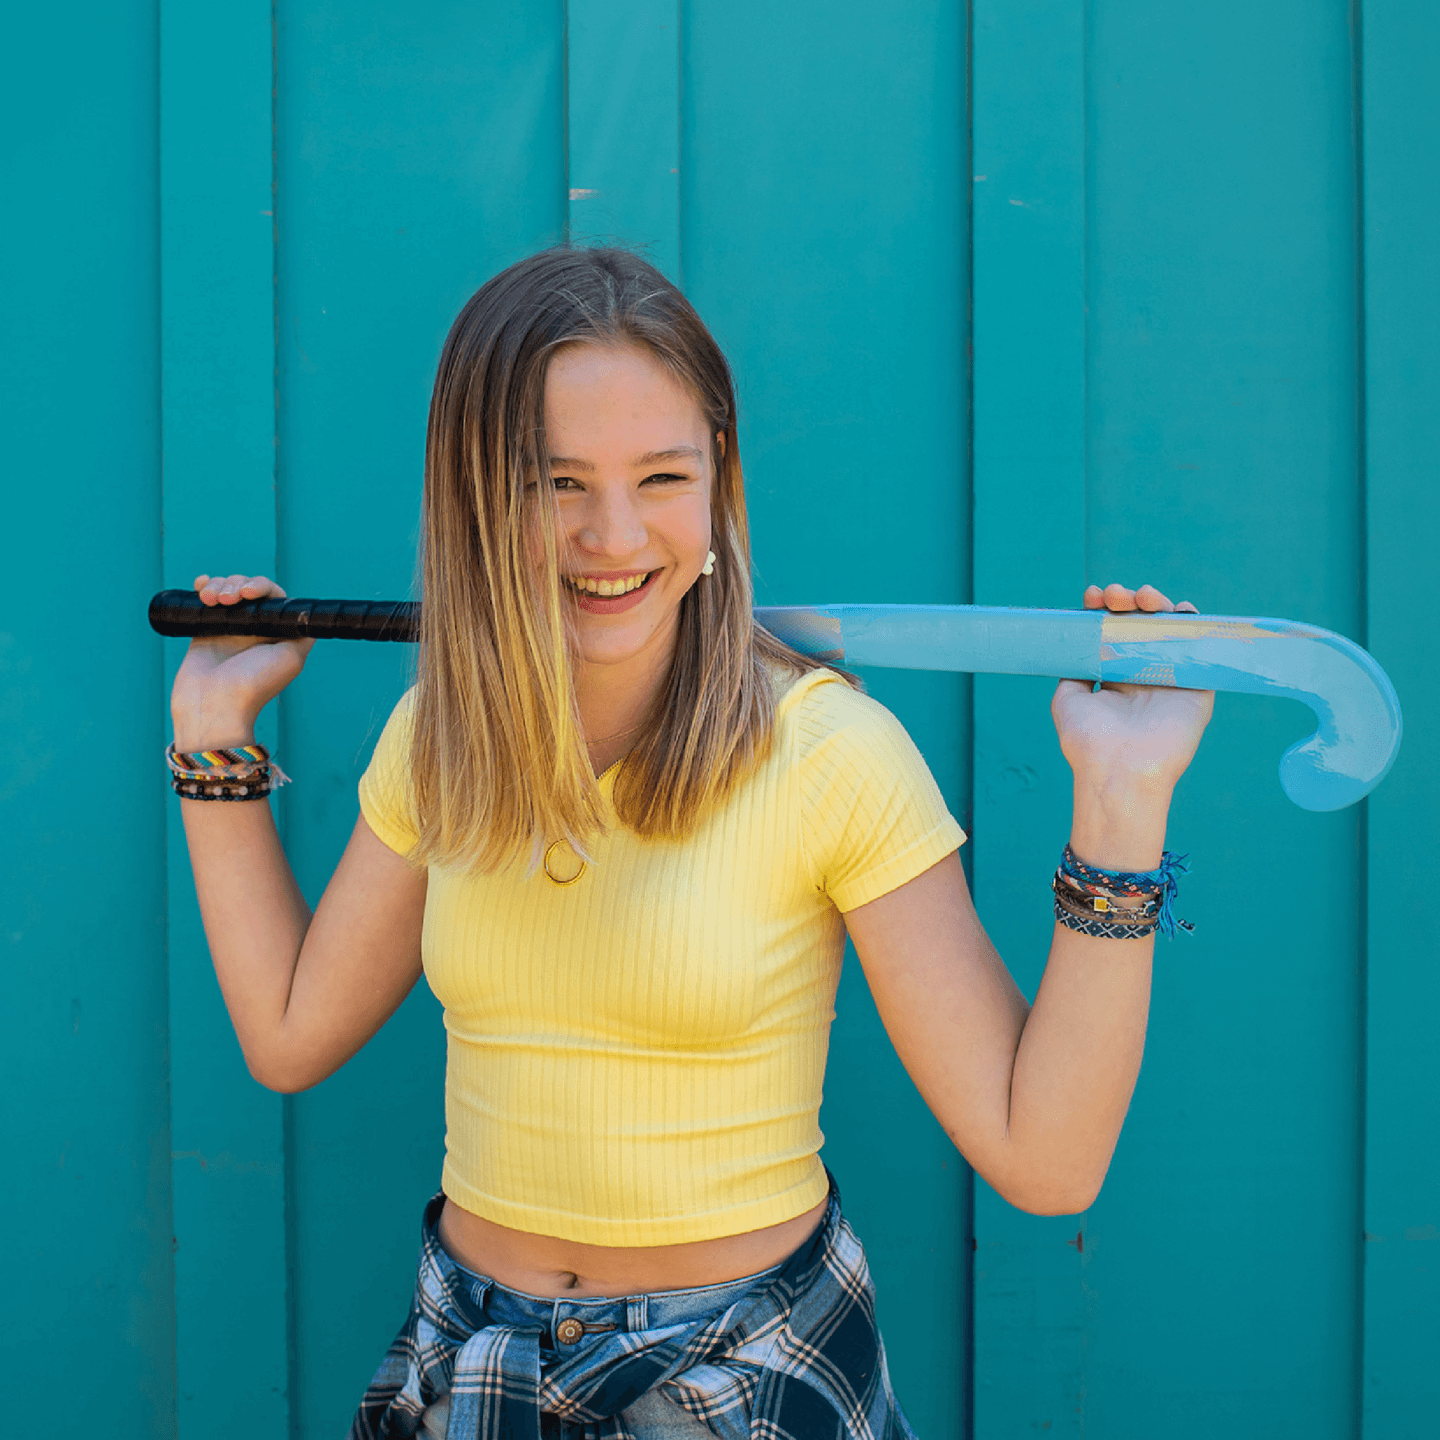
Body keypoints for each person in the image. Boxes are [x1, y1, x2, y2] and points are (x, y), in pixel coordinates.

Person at [170, 245, 1214, 1439]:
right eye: (553, 482)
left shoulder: (831, 755)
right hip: (473, 1353)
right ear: (470, 497)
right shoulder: (441, 740)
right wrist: (213, 742)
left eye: (662, 476)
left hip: (742, 1367)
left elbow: (1047, 1162)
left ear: (720, 483)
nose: (613, 536)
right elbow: (291, 1033)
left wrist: (1122, 802)